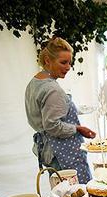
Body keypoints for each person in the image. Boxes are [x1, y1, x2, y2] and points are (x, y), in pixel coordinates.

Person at [25, 37, 95, 184]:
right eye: (63, 62)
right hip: (63, 154)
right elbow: (52, 126)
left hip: (49, 151)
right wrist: (77, 128)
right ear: (47, 61)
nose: (68, 67)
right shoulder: (52, 89)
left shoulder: (34, 82)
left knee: (61, 196)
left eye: (69, 62)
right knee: (76, 196)